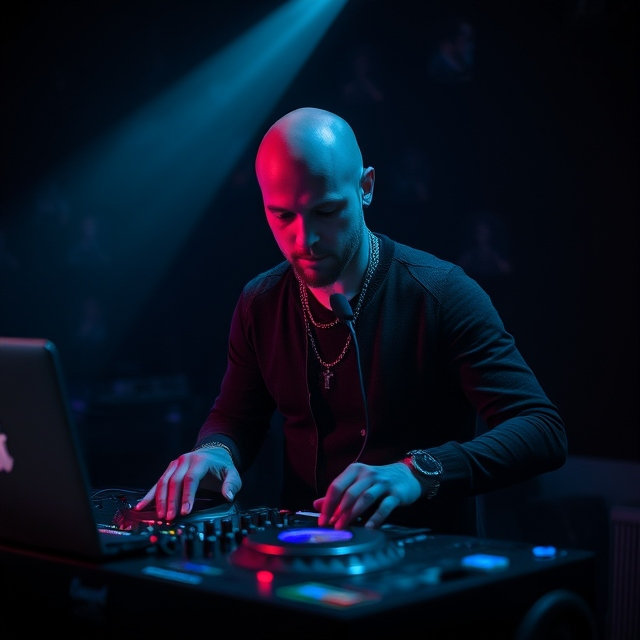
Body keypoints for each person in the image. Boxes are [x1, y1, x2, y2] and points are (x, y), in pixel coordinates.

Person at [135, 107, 567, 535]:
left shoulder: (442, 293)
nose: (305, 239)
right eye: (283, 215)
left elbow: (541, 429)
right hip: (303, 556)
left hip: (422, 561)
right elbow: (235, 417)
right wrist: (216, 450)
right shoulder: (260, 301)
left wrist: (418, 471)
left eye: (325, 211)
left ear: (366, 188)